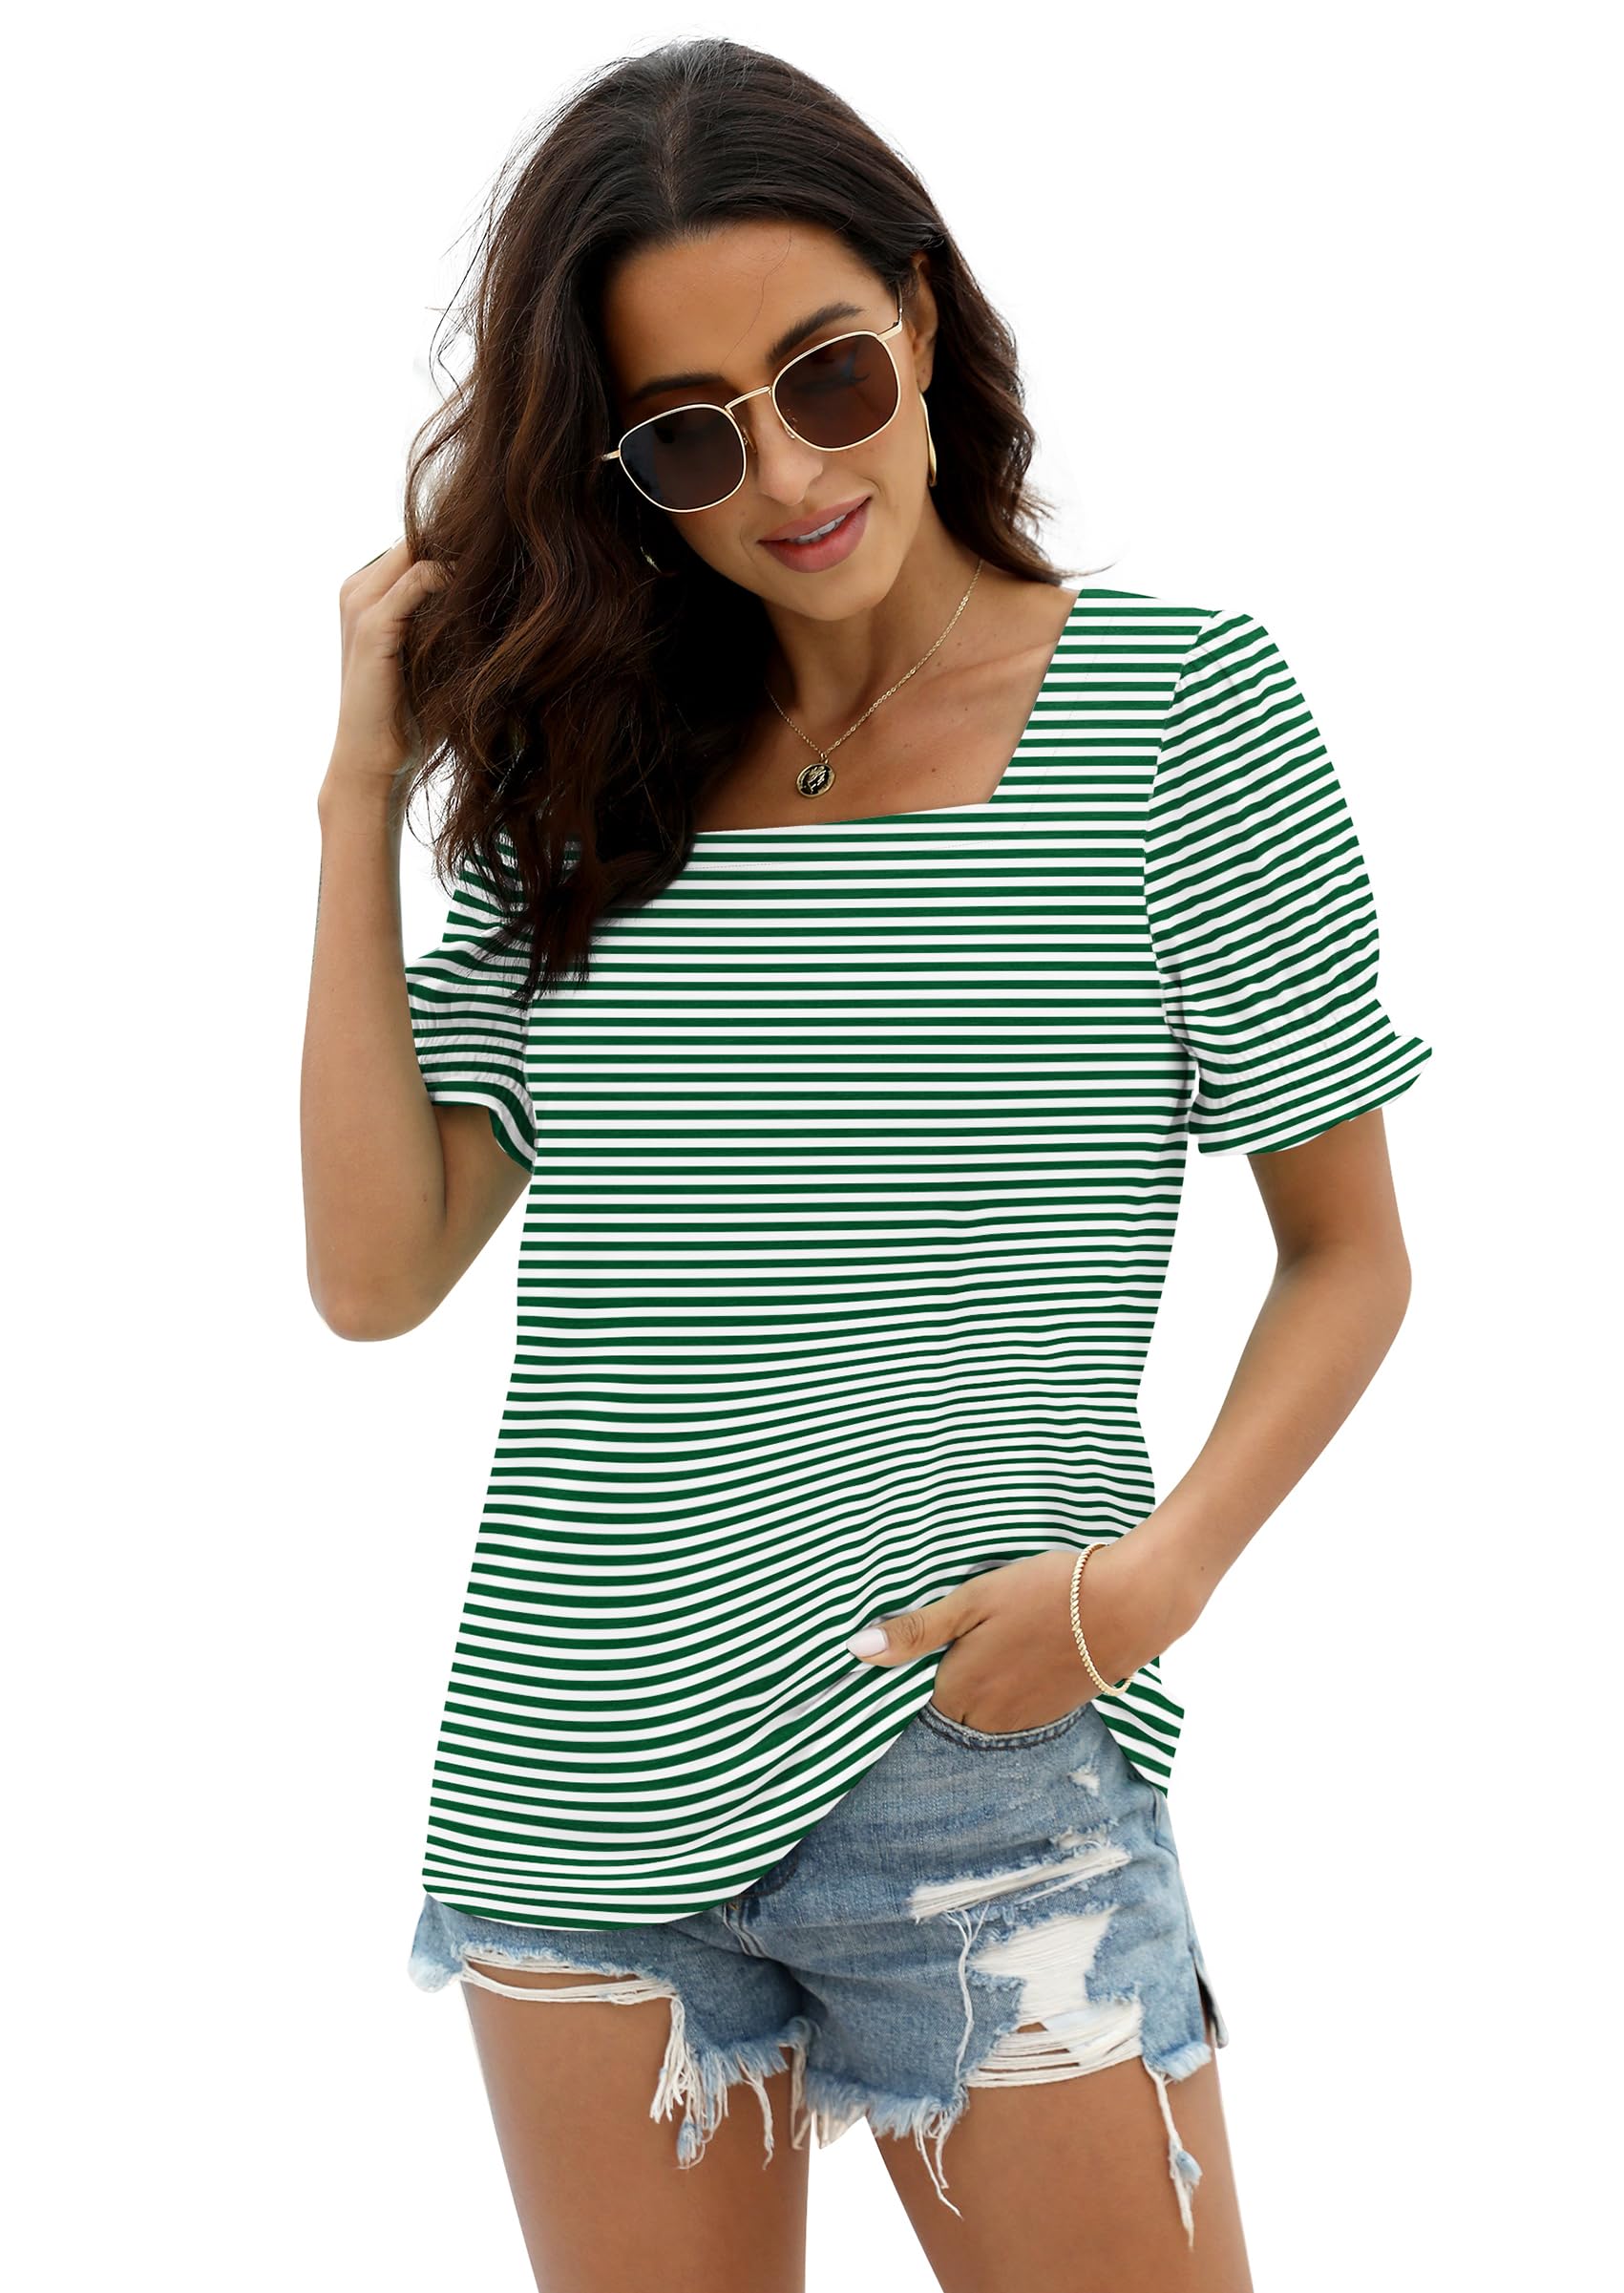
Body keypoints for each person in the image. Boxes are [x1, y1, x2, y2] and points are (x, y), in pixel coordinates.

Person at [302, 37, 1431, 2293]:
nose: (788, 473)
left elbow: (1346, 1253)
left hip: (977, 1743)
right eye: (689, 435)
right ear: (624, 473)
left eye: (822, 375)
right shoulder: (590, 776)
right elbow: (373, 1270)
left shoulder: (1178, 715)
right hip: (575, 1767)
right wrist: (359, 791)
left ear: (917, 316)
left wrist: (1146, 1586)